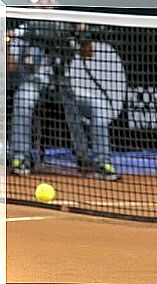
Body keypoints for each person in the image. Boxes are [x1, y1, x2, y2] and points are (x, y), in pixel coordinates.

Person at [8, 0, 124, 181]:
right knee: (23, 101)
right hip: (34, 83)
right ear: (31, 4)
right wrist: (6, 43)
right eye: (38, 1)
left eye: (46, 1)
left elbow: (88, 53)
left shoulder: (65, 25)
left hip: (64, 86)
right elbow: (11, 69)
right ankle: (19, 158)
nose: (42, 4)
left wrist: (83, 34)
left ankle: (102, 163)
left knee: (98, 108)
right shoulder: (24, 29)